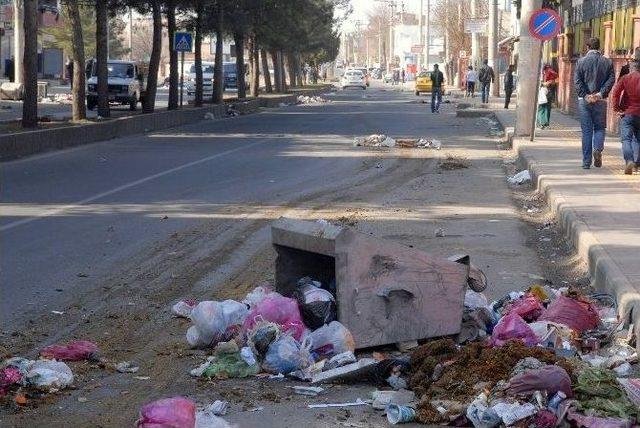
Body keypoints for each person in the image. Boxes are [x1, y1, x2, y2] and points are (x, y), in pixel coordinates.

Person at [574, 37, 615, 169]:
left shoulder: (581, 62)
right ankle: (597, 149)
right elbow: (611, 79)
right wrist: (600, 94)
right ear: (599, 48)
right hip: (600, 100)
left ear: (587, 47)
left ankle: (586, 162)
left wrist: (586, 95)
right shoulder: (607, 62)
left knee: (586, 132)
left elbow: (577, 81)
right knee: (599, 128)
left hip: (584, 101)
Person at [611, 60, 640, 174]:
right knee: (638, 139)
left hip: (627, 113)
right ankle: (637, 163)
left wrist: (617, 108)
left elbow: (616, 93)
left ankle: (629, 160)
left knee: (626, 139)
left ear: (630, 68)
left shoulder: (625, 78)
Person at [537, 64, 558, 128]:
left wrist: (549, 83)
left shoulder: (545, 74)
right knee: (545, 108)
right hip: (546, 92)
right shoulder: (546, 74)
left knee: (543, 108)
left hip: (545, 92)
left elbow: (555, 82)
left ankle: (543, 123)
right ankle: (544, 123)